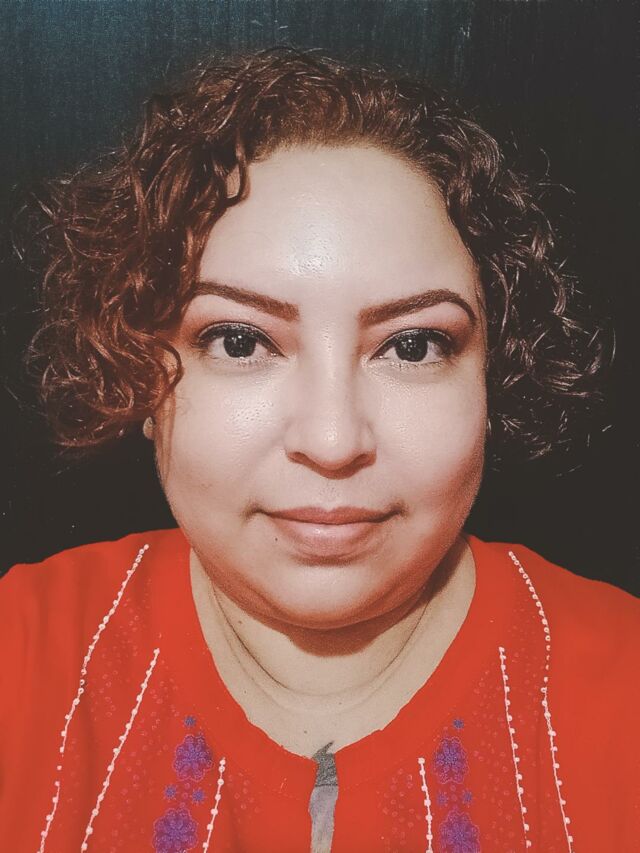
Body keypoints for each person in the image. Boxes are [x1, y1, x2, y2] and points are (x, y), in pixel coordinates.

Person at [1, 47, 638, 853]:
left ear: (493, 379)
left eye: (413, 346)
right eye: (240, 340)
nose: (333, 443)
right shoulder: (20, 657)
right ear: (139, 373)